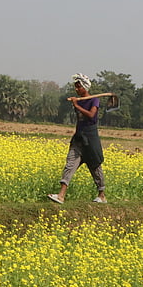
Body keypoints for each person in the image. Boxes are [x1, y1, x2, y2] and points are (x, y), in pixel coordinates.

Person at [48, 73, 106, 204]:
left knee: (95, 167)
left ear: (85, 87)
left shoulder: (94, 100)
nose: (76, 89)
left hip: (91, 140)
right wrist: (77, 103)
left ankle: (102, 195)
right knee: (70, 164)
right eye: (75, 87)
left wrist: (77, 105)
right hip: (79, 138)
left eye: (78, 87)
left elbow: (91, 115)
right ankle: (61, 195)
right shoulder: (79, 101)